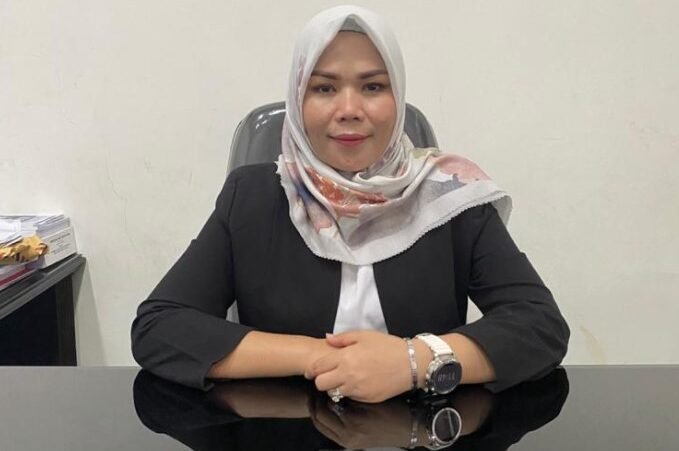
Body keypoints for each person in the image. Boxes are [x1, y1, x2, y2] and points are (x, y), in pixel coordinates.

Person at [131, 5, 569, 404]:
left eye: (373, 86)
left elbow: (540, 326)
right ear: (298, 101)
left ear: (397, 98)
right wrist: (319, 357)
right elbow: (159, 327)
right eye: (324, 88)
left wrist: (412, 361)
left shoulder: (448, 196)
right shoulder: (251, 197)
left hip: (423, 431)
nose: (349, 109)